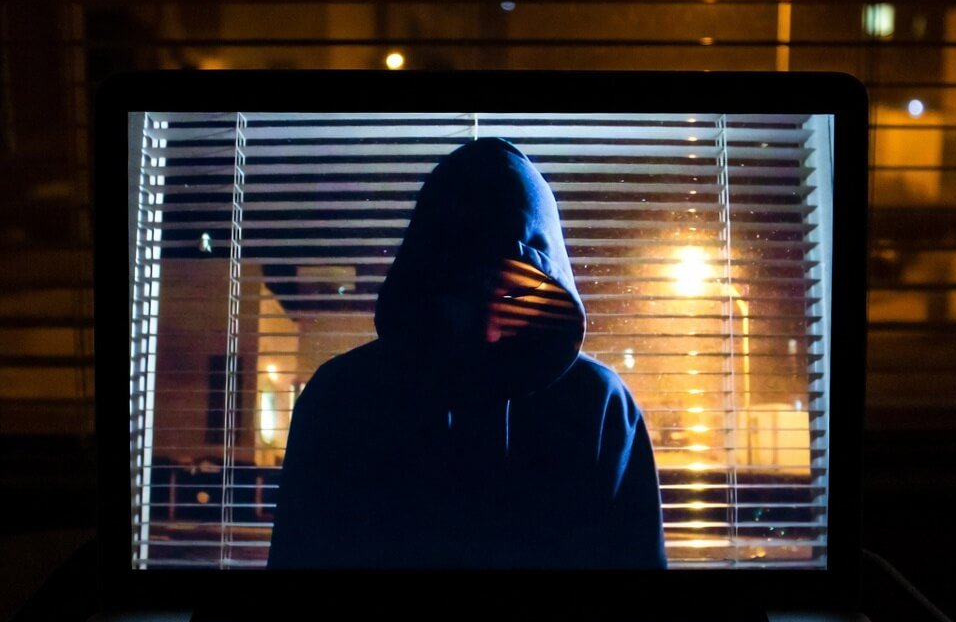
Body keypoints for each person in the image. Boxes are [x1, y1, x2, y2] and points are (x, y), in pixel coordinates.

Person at [267, 138, 666, 570]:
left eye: (515, 296)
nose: (490, 330)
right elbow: (296, 589)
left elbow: (640, 603)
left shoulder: (600, 406)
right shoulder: (341, 400)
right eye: (470, 297)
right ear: (431, 285)